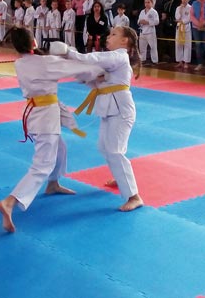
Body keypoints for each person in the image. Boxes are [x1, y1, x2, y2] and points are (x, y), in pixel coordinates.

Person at [0, 27, 105, 233]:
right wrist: (100, 71)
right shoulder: (45, 63)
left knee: (60, 149)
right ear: (34, 42)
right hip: (45, 118)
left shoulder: (21, 63)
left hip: (36, 114)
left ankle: (53, 183)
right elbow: (74, 68)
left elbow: (58, 66)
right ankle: (10, 202)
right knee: (42, 165)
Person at [54, 26, 145, 212]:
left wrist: (70, 53)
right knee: (104, 147)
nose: (108, 37)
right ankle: (121, 177)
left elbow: (94, 58)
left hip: (121, 110)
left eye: (113, 34)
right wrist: (78, 71)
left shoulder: (119, 56)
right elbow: (94, 80)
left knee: (114, 151)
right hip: (110, 109)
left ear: (125, 41)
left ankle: (134, 196)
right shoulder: (111, 63)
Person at [138, 0, 159, 65]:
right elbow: (138, 20)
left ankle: (155, 61)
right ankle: (142, 59)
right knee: (142, 47)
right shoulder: (142, 11)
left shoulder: (154, 12)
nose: (147, 4)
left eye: (148, 2)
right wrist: (140, 22)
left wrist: (147, 22)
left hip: (150, 32)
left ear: (152, 3)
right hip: (142, 31)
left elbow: (157, 22)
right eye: (145, 2)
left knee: (153, 47)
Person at [175, 0, 192, 69]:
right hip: (179, 28)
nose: (184, 1)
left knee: (187, 45)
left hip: (186, 27)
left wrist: (183, 21)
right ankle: (180, 61)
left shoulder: (190, 8)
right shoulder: (178, 8)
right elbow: (177, 17)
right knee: (178, 44)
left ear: (189, 0)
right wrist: (181, 10)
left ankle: (186, 62)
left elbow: (190, 18)